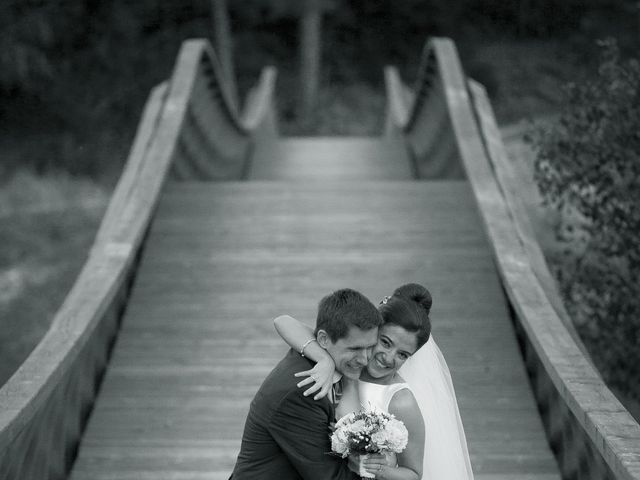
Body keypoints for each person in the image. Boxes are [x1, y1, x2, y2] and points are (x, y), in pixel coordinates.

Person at [275, 283, 474, 480]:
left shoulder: (401, 401)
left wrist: (377, 469)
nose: (388, 357)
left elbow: (413, 474)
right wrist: (324, 359)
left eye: (402, 354)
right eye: (385, 342)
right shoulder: (349, 358)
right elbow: (284, 321)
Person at [229, 288, 387, 479]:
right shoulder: (304, 390)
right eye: (355, 349)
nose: (364, 359)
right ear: (323, 340)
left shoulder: (324, 356)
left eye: (370, 347)